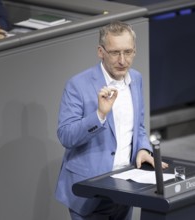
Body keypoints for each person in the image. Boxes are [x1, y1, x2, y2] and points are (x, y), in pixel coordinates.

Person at [55, 21, 168, 220]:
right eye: (115, 53)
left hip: (126, 187)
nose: (122, 60)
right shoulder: (77, 85)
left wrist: (143, 149)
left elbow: (139, 126)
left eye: (128, 52)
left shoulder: (136, 79)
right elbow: (66, 136)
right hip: (90, 190)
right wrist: (99, 115)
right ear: (101, 51)